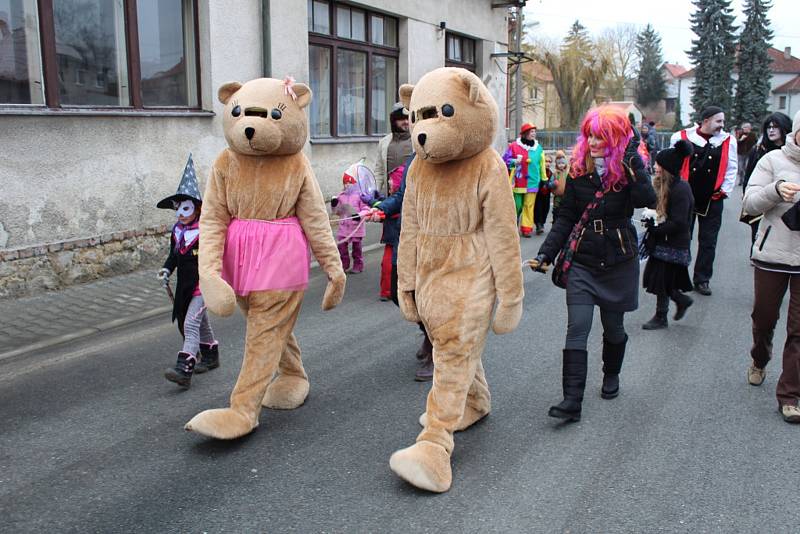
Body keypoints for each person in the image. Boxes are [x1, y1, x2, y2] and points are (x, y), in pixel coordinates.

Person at [528, 106, 656, 422]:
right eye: (590, 135)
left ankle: (611, 373)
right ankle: (572, 400)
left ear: (615, 138)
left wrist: (632, 158)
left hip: (618, 258)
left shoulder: (628, 169)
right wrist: (546, 252)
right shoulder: (578, 169)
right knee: (578, 327)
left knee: (613, 328)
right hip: (583, 259)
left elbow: (646, 199)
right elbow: (567, 216)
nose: (594, 141)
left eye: (602, 136)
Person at [741, 110, 800, 424]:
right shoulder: (772, 161)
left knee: (799, 331)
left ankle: (790, 395)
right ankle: (759, 358)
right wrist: (776, 190)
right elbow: (749, 204)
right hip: (771, 255)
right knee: (764, 318)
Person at [371, 153, 435, 381]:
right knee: (399, 292)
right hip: (406, 235)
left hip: (433, 239)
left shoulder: (447, 158)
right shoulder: (412, 160)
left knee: (428, 297)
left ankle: (435, 348)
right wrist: (381, 209)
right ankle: (428, 333)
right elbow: (401, 196)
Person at [156, 155, 219, 388]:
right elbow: (174, 255)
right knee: (198, 321)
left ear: (197, 208)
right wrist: (166, 269)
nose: (180, 214)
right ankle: (211, 355)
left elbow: (218, 255)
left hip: (204, 285)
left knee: (191, 324)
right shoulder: (178, 232)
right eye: (177, 209)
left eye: (185, 208)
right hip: (185, 286)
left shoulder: (206, 231)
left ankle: (184, 369)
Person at [669, 105, 737, 296]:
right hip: (685, 198)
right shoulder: (681, 137)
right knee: (682, 237)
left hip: (713, 198)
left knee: (708, 241)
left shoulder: (728, 140)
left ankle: (702, 278)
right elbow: (670, 164)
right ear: (706, 120)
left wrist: (724, 191)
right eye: (718, 121)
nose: (722, 125)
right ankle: (679, 276)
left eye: (723, 121)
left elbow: (732, 168)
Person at [640, 140, 696, 330]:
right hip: (664, 240)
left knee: (661, 280)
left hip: (673, 243)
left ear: (667, 168)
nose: (655, 167)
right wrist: (651, 219)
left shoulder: (681, 190)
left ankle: (662, 316)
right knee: (661, 279)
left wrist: (657, 229)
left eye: (658, 164)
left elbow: (679, 222)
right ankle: (680, 301)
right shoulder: (664, 186)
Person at [742, 112, 793, 246]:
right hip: (761, 202)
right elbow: (748, 178)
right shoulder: (759, 150)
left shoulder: (793, 152)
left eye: (775, 127)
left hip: (786, 203)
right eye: (768, 127)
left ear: (785, 128)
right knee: (759, 240)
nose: (771, 130)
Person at [503, 123, 547, 237]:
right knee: (517, 206)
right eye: (531, 132)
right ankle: (512, 227)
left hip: (533, 181)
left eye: (534, 132)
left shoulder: (538, 148)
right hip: (518, 181)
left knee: (529, 206)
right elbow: (505, 160)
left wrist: (544, 179)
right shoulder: (514, 146)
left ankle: (526, 229)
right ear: (525, 134)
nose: (534, 134)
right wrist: (513, 161)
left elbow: (541, 165)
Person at [331, 162, 372, 274]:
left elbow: (366, 209)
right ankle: (344, 264)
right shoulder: (341, 196)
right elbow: (337, 212)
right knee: (342, 248)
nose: (346, 186)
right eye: (345, 183)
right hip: (344, 228)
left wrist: (359, 215)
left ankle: (358, 265)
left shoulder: (360, 196)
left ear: (354, 183)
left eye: (349, 183)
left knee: (356, 249)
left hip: (356, 227)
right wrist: (334, 204)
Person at [373, 102, 412, 197]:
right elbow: (379, 171)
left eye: (408, 118)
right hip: (390, 197)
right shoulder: (384, 142)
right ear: (394, 121)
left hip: (411, 197)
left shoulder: (416, 140)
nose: (406, 122)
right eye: (401, 119)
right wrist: (374, 191)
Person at [379, 165, 405, 301]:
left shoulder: (401, 202)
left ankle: (389, 291)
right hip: (390, 238)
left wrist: (379, 209)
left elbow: (393, 206)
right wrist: (377, 205)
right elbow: (388, 204)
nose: (389, 185)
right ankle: (387, 291)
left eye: (391, 183)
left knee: (390, 264)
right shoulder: (393, 199)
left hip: (397, 237)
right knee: (386, 264)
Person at [533, 153, 553, 234]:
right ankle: (539, 225)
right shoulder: (538, 172)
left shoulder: (551, 173)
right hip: (538, 194)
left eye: (549, 161)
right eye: (546, 161)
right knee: (538, 209)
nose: (548, 163)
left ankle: (542, 223)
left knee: (546, 209)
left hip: (546, 194)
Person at [550, 149, 570, 223]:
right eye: (559, 163)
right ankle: (555, 222)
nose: (561, 165)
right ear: (556, 164)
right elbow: (549, 184)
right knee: (556, 210)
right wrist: (553, 184)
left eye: (562, 163)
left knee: (565, 210)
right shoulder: (555, 174)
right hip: (558, 196)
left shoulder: (568, 173)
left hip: (566, 195)